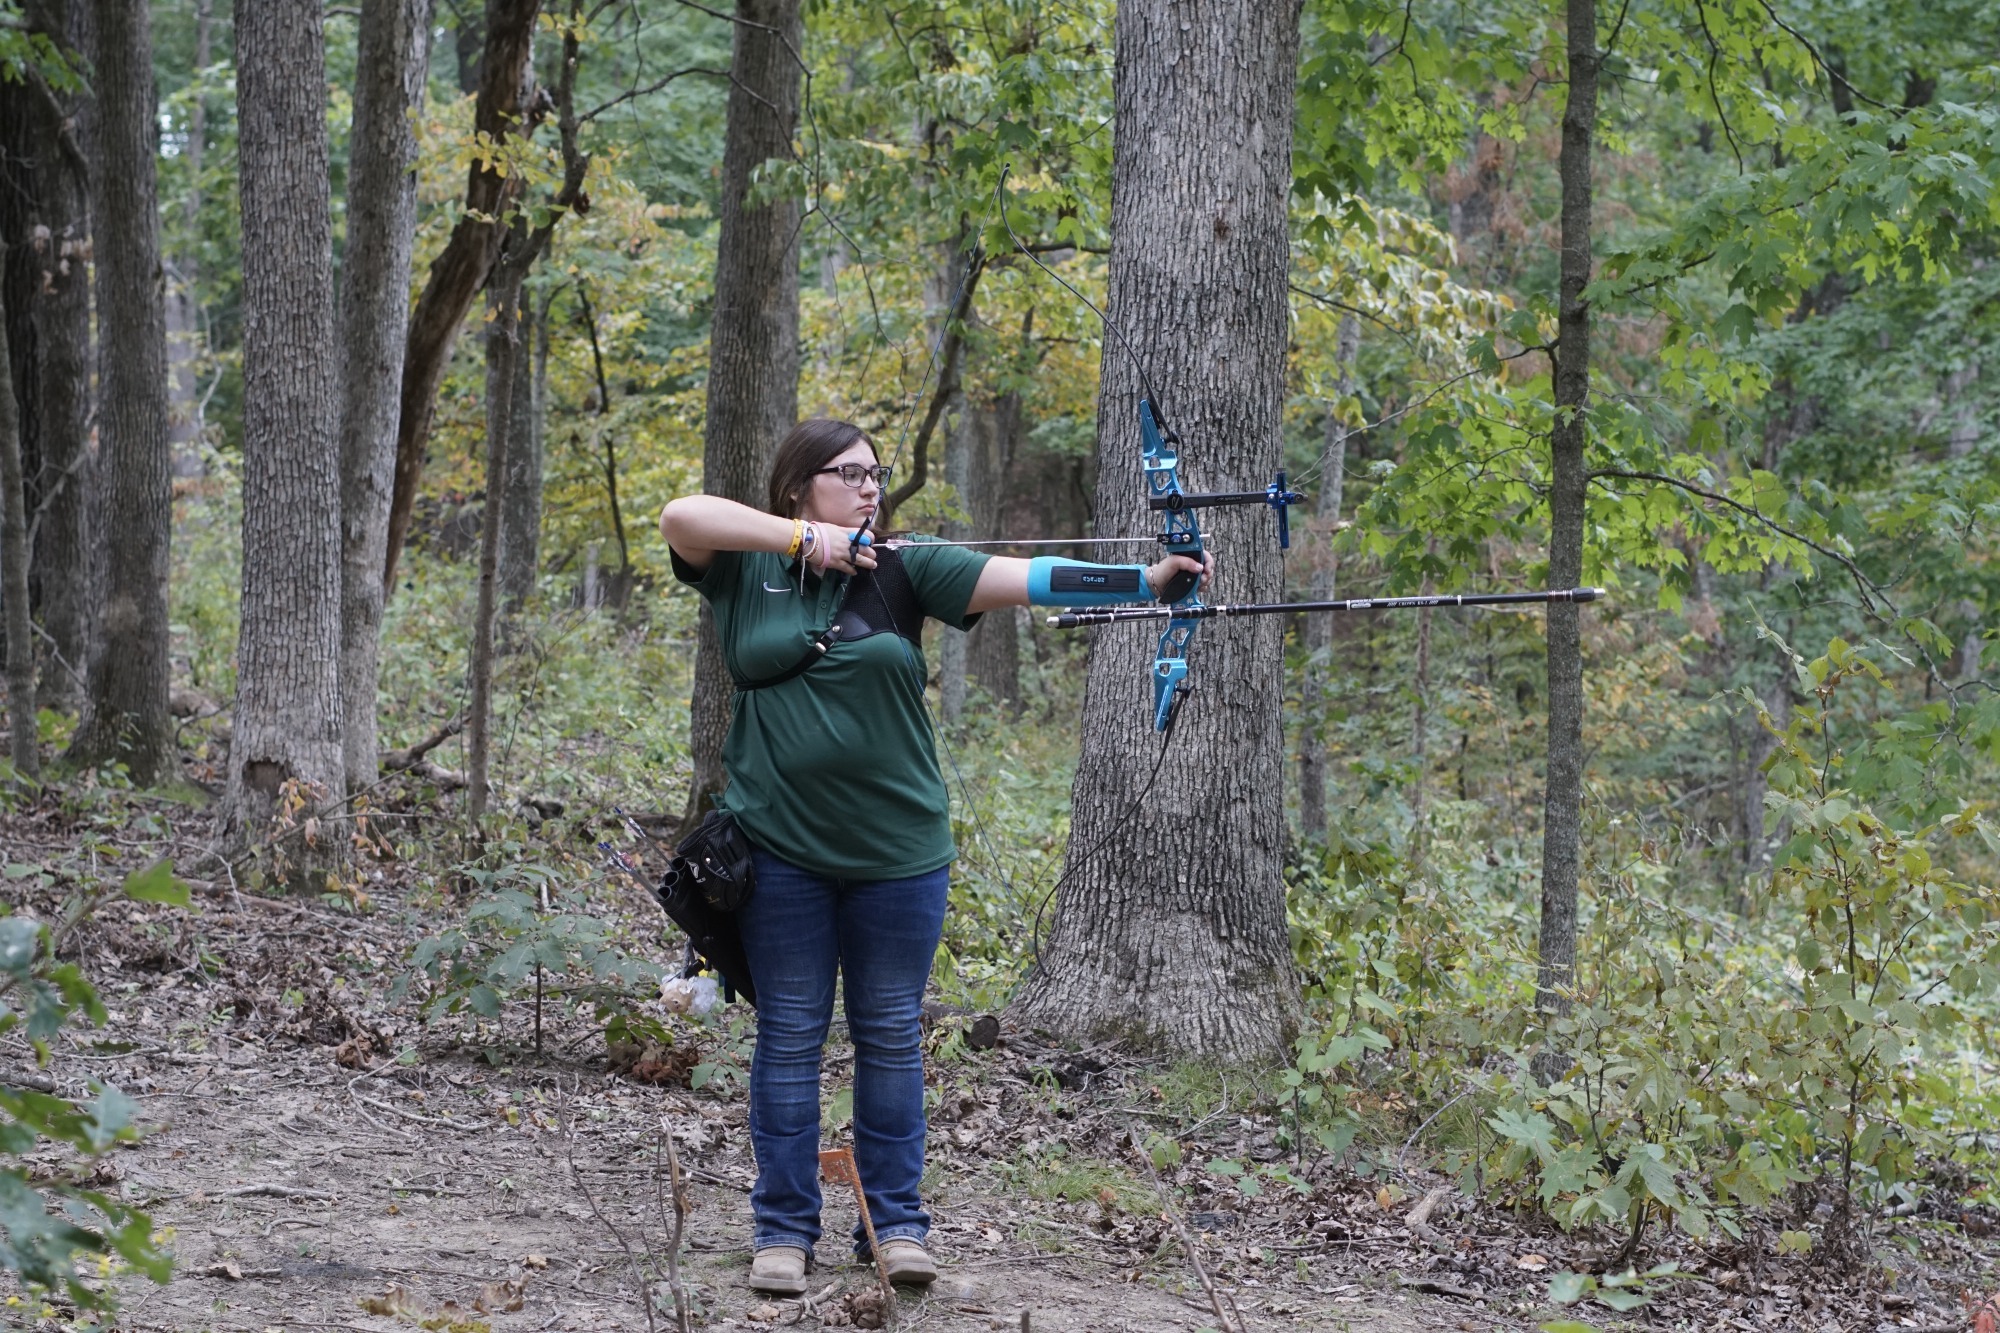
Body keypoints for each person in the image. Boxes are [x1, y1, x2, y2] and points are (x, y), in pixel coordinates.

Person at [657, 417, 1206, 1295]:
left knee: (888, 1037)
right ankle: (783, 1232)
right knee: (791, 1035)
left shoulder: (909, 565)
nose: (872, 487)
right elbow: (682, 514)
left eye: (878, 474)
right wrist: (806, 541)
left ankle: (895, 1224)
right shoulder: (746, 567)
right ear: (801, 485)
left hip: (900, 852)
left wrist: (1146, 578)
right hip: (781, 848)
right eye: (850, 474)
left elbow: (1028, 579)